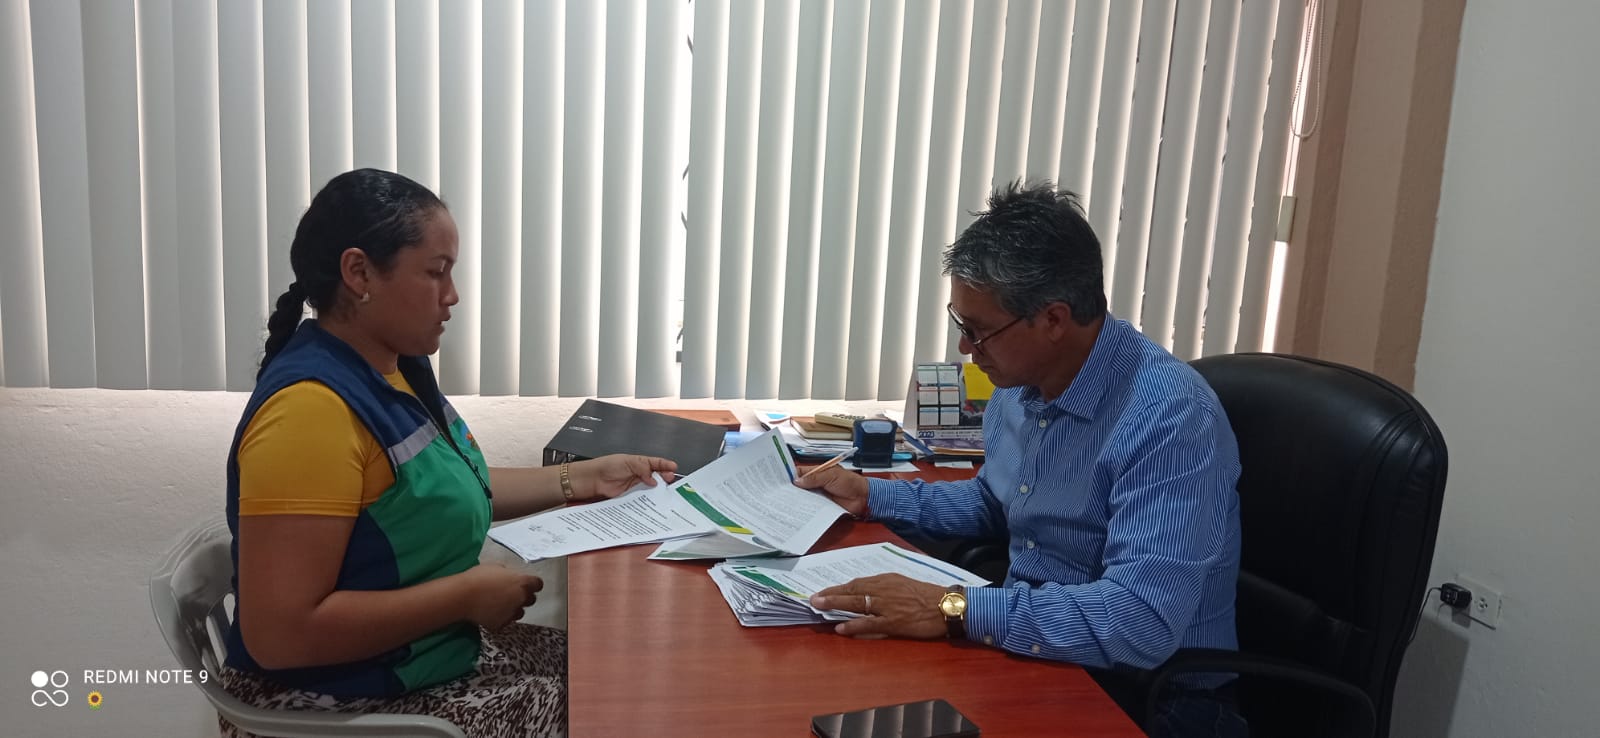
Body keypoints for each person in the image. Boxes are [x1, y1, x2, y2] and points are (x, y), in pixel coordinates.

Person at [221, 168, 676, 738]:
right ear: (359, 272)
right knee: (619, 712)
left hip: (420, 658)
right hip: (329, 703)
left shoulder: (395, 367)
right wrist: (464, 596)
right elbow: (280, 636)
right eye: (436, 272)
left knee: (615, 669)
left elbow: (440, 489)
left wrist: (582, 479)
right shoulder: (310, 413)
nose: (452, 295)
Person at [795, 181, 1246, 737]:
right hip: (1037, 649)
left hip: (1150, 698)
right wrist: (871, 495)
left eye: (979, 331)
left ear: (1053, 320)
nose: (966, 349)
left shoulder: (1168, 418)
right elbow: (997, 501)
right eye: (962, 325)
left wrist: (952, 609)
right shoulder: (1022, 382)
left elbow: (1139, 622)